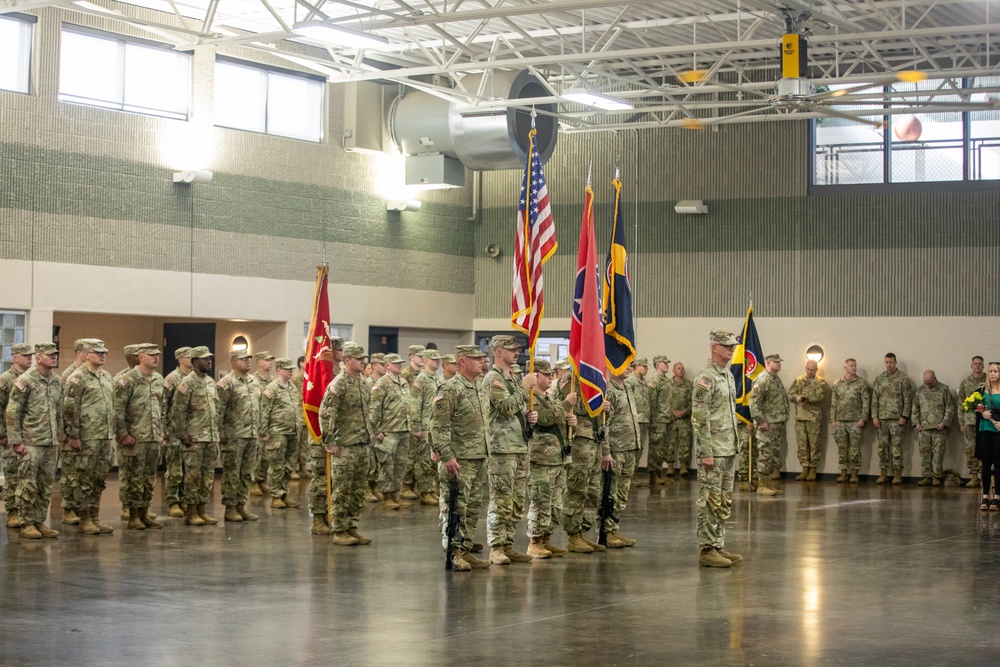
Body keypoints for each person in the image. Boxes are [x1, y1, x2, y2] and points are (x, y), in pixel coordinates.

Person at [431, 344, 492, 571]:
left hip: (478, 457)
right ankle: (454, 551)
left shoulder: (479, 387)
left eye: (482, 359)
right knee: (455, 506)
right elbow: (438, 425)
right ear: (463, 362)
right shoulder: (449, 389)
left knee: (473, 507)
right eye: (476, 359)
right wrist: (446, 456)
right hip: (458, 460)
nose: (482, 362)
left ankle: (465, 548)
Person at [483, 335, 538, 565]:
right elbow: (505, 407)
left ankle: (507, 543)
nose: (517, 353)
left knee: (516, 501)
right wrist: (525, 388)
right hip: (502, 449)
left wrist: (529, 416)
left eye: (517, 349)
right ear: (498, 351)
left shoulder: (512, 379)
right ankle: (496, 547)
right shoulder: (494, 379)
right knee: (501, 500)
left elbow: (517, 407)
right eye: (511, 349)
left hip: (519, 446)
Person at [691, 330, 743, 568]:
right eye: (727, 347)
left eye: (733, 347)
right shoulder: (706, 378)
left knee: (723, 500)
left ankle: (718, 544)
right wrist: (706, 451)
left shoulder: (727, 376)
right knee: (710, 499)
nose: (732, 350)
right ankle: (707, 549)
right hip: (713, 450)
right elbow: (700, 418)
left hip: (728, 448)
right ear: (715, 348)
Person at [6, 342, 63, 539]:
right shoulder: (25, 381)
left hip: (50, 442)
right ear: (38, 358)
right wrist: (16, 441)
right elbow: (12, 412)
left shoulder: (57, 381)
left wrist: (61, 437)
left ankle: (39, 521)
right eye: (50, 355)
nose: (54, 357)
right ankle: (26, 523)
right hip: (30, 442)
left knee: (46, 484)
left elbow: (59, 412)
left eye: (55, 355)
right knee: (27, 484)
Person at [318, 342, 374, 545]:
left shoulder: (362, 382)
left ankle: (351, 526)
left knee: (358, 490)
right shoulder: (338, 384)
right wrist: (330, 441)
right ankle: (339, 530)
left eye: (363, 359)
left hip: (362, 443)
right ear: (347, 360)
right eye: (359, 359)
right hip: (344, 445)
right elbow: (325, 413)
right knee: (342, 490)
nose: (363, 362)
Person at [63, 339, 116, 536]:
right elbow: (70, 410)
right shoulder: (77, 378)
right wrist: (73, 436)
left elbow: (112, 405)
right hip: (86, 437)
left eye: (104, 352)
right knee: (84, 479)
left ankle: (95, 516)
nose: (102, 355)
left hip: (104, 436)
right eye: (97, 352)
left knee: (99, 479)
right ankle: (84, 518)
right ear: (86, 355)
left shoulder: (107, 376)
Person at [526, 359, 576, 558]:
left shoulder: (549, 397)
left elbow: (558, 418)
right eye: (546, 375)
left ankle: (546, 539)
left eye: (551, 375)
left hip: (558, 457)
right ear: (535, 375)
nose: (551, 378)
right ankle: (534, 541)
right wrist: (566, 405)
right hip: (542, 458)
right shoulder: (532, 398)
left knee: (556, 504)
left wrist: (573, 421)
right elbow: (545, 418)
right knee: (541, 501)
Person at [113, 343, 165, 530]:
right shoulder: (128, 380)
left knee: (149, 479)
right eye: (151, 355)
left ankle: (144, 513)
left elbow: (162, 408)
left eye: (157, 355)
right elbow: (118, 410)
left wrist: (161, 432)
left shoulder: (158, 379)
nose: (156, 358)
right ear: (141, 357)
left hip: (152, 438)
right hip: (135, 438)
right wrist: (123, 434)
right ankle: (133, 516)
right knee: (134, 479)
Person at [169, 346, 220, 526]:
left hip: (211, 438)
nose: (209, 362)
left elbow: (216, 410)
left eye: (210, 359)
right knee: (193, 476)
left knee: (207, 476)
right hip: (194, 439)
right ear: (195, 362)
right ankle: (191, 511)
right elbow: (177, 412)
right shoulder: (186, 384)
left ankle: (202, 509)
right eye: (205, 359)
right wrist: (182, 434)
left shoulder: (211, 382)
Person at [215, 349, 263, 521]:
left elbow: (259, 408)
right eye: (244, 359)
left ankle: (241, 505)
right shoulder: (226, 383)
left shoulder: (254, 382)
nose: (248, 362)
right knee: (232, 473)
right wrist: (220, 432)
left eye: (249, 359)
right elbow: (218, 411)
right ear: (234, 362)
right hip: (233, 436)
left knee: (247, 473)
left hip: (251, 435)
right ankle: (230, 508)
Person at [602, 365, 641, 548]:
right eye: (624, 364)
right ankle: (606, 532)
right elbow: (604, 425)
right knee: (610, 492)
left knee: (622, 493)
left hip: (629, 448)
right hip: (616, 449)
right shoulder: (609, 390)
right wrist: (606, 451)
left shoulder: (627, 387)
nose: (629, 367)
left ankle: (614, 528)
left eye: (631, 364)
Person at [370, 352, 411, 510]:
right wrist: (377, 429)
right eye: (396, 363)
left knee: (400, 464)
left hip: (404, 429)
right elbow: (374, 408)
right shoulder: (382, 383)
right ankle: (386, 496)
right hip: (388, 430)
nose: (400, 365)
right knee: (387, 464)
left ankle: (396, 494)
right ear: (387, 366)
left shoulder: (404, 382)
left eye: (400, 363)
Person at [261, 358, 301, 510]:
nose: (291, 371)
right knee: (277, 465)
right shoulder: (272, 388)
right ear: (279, 371)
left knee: (288, 465)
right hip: (277, 432)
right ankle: (276, 496)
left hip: (292, 431)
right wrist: (263, 432)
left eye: (291, 369)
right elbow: (265, 411)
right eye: (287, 369)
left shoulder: (292, 387)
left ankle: (284, 493)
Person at [1, 343, 33, 528]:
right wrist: (2, 434)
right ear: (15, 357)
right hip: (10, 435)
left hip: (28, 435)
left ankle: (25, 512)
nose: (29, 358)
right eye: (25, 355)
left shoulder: (31, 378)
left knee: (26, 477)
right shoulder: (5, 379)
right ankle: (12, 512)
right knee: (12, 474)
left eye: (31, 355)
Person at [871, 352, 915, 485]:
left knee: (896, 448)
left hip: (897, 419)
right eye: (887, 362)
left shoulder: (903, 378)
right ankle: (883, 473)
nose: (889, 365)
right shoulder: (880, 378)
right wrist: (874, 416)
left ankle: (897, 474)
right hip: (882, 419)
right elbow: (875, 399)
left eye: (891, 362)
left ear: (895, 362)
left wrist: (904, 416)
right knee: (882, 447)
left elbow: (908, 399)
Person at [405, 348, 441, 505]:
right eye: (434, 360)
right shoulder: (421, 379)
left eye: (438, 360)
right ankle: (424, 492)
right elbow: (414, 404)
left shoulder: (436, 379)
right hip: (425, 426)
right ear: (426, 361)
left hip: (435, 426)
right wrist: (416, 426)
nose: (437, 362)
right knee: (423, 461)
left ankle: (430, 490)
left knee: (432, 462)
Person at [749, 354, 787, 496]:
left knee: (773, 455)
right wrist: (761, 420)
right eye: (776, 362)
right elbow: (754, 403)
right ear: (768, 363)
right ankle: (762, 485)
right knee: (765, 455)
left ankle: (769, 483)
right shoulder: (763, 379)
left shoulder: (775, 379)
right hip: (767, 425)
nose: (779, 364)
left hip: (776, 424)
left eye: (779, 362)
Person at [161, 346, 192, 518]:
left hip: (190, 431)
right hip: (173, 431)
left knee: (189, 469)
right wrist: (164, 428)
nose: (192, 359)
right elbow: (163, 406)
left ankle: (186, 500)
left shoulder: (195, 378)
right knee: (175, 470)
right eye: (189, 357)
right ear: (180, 359)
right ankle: (173, 502)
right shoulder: (171, 379)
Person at [829, 358, 871, 483]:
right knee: (842, 449)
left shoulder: (861, 383)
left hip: (855, 421)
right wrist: (833, 419)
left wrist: (863, 419)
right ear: (845, 367)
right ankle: (843, 473)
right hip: (840, 421)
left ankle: (854, 474)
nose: (854, 368)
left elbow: (866, 403)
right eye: (851, 365)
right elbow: (833, 403)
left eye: (855, 365)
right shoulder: (837, 383)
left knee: (855, 449)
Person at [912, 370, 955, 487]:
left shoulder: (944, 390)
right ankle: (926, 476)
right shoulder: (920, 390)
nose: (928, 385)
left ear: (935, 379)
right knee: (925, 453)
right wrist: (916, 422)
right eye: (926, 382)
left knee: (938, 453)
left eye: (930, 383)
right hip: (924, 428)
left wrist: (944, 423)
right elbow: (915, 407)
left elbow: (950, 408)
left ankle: (936, 477)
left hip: (938, 428)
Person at [787, 360, 829, 481]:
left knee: (814, 444)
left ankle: (813, 470)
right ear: (805, 368)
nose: (810, 372)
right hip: (800, 418)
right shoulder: (799, 380)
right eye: (808, 369)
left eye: (813, 370)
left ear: (816, 369)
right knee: (802, 445)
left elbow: (820, 397)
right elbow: (790, 394)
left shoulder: (820, 381)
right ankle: (804, 468)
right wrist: (796, 397)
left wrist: (805, 397)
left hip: (813, 418)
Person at [249, 351, 275, 496]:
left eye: (271, 361)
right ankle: (252, 482)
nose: (270, 363)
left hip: (270, 422)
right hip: (257, 421)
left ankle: (261, 479)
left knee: (266, 455)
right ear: (259, 362)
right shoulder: (252, 379)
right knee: (256, 454)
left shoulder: (273, 380)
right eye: (267, 360)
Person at [975, 362, 1000, 511]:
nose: (993, 374)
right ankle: (985, 495)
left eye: (995, 371)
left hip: (998, 431)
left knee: (998, 463)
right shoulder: (981, 389)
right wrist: (981, 412)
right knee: (986, 463)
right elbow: (974, 406)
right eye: (990, 371)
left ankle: (997, 496)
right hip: (985, 429)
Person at [959, 356, 986, 488]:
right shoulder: (965, 382)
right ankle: (974, 476)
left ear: (983, 366)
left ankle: (985, 477)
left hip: (986, 421)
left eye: (979, 364)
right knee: (970, 449)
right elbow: (960, 403)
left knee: (985, 448)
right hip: (970, 421)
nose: (977, 366)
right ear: (971, 365)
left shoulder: (989, 381)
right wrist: (961, 422)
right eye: (975, 364)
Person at [665, 362, 694, 477]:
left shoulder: (689, 385)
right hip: (671, 419)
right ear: (673, 370)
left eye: (683, 368)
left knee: (685, 443)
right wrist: (671, 412)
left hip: (684, 419)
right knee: (669, 443)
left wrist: (684, 412)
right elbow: (664, 401)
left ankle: (683, 466)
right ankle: (670, 466)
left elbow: (693, 401)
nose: (681, 370)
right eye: (678, 368)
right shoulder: (667, 384)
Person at [625, 358, 650, 487]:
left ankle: (633, 475)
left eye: (647, 367)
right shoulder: (630, 381)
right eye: (644, 366)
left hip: (643, 419)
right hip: (635, 420)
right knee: (634, 449)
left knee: (639, 449)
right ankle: (629, 476)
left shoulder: (643, 382)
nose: (646, 369)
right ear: (637, 366)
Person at [646, 355, 671, 484]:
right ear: (657, 365)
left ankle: (659, 472)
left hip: (666, 419)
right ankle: (653, 475)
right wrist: (652, 420)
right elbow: (651, 402)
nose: (667, 365)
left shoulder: (666, 380)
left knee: (662, 449)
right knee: (655, 448)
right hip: (658, 419)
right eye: (664, 363)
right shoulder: (654, 381)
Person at [290, 355, 310, 480]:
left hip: (306, 416)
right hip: (298, 416)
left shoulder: (309, 379)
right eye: (306, 362)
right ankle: (292, 469)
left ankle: (302, 468)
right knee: (295, 445)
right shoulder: (295, 379)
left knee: (304, 445)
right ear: (301, 364)